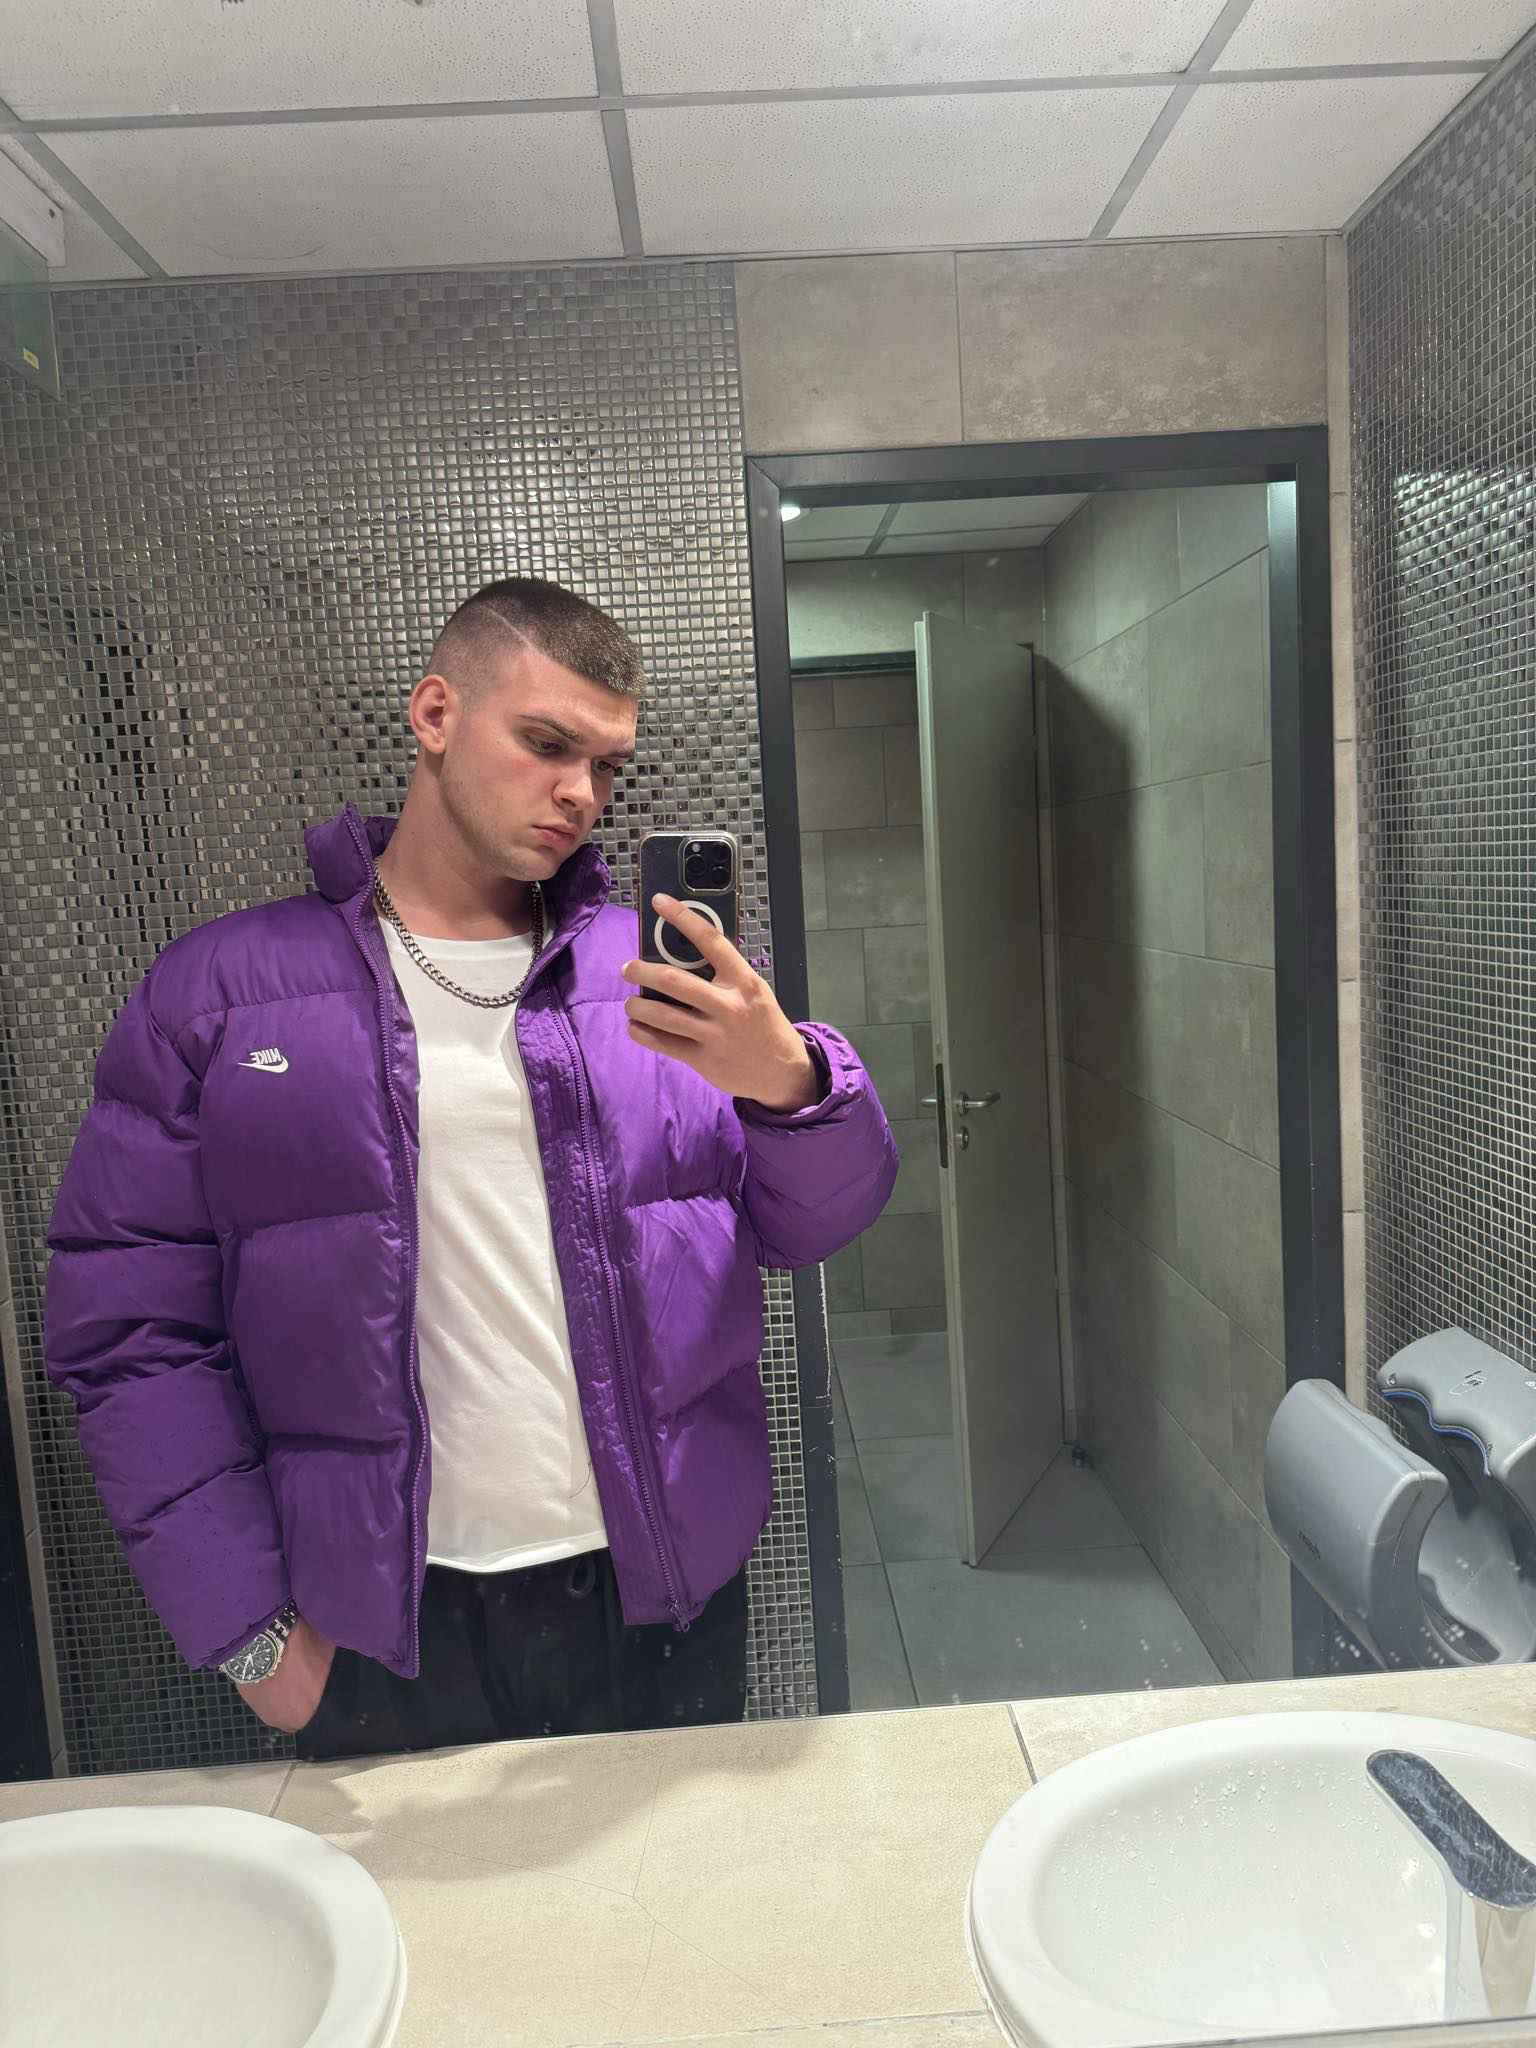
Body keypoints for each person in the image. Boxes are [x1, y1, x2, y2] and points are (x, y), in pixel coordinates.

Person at [43, 576, 897, 1759]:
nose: (581, 792)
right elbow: (127, 1327)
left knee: (675, 1887)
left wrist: (791, 1082)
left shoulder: (653, 983)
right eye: (547, 743)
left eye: (607, 765)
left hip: (661, 1599)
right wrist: (248, 1632)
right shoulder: (218, 996)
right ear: (436, 713)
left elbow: (814, 1225)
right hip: (381, 1625)